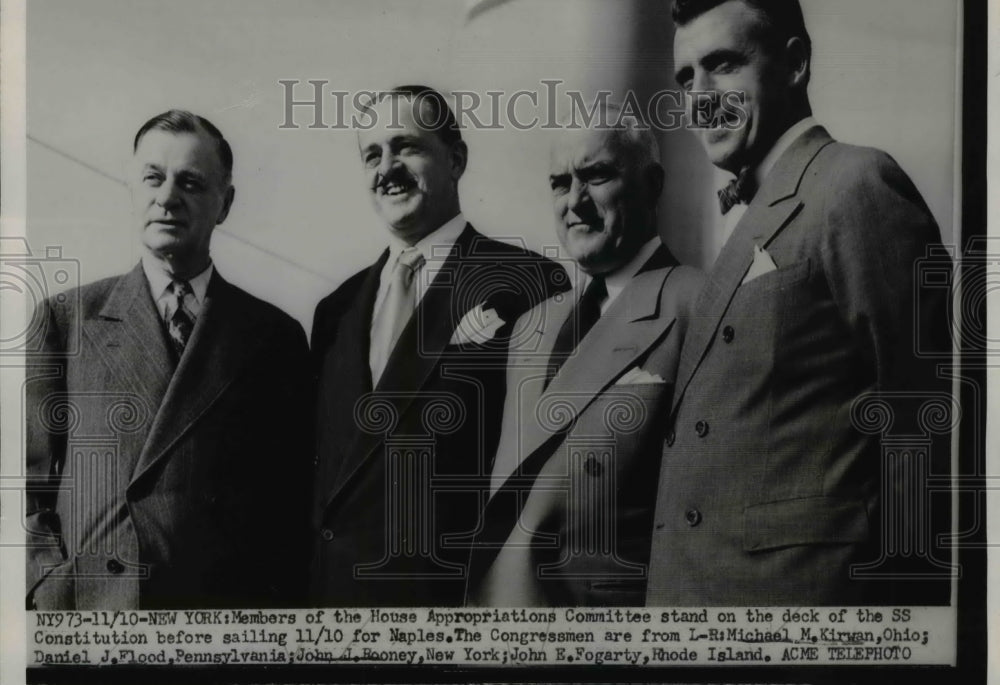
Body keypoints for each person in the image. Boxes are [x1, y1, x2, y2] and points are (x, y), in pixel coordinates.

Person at [648, 0, 952, 605]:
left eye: (724, 65)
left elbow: (925, 420)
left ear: (795, 64)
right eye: (685, 80)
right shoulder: (755, 216)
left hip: (801, 615)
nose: (702, 99)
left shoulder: (853, 184)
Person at [25, 110, 312, 609]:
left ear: (225, 204)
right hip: (97, 615)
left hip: (221, 625)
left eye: (192, 182)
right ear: (132, 189)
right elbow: (25, 485)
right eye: (152, 178)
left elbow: (290, 501)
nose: (167, 197)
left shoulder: (273, 337)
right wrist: (48, 584)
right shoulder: (66, 319)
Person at [310, 86, 568, 606]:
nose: (388, 167)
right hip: (336, 608)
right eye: (372, 154)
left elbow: (542, 473)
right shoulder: (334, 311)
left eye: (407, 146)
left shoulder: (528, 282)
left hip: (450, 602)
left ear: (456, 158)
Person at [466, 114, 703, 606]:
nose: (574, 202)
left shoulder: (701, 305)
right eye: (559, 183)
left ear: (651, 184)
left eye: (596, 176)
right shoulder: (532, 327)